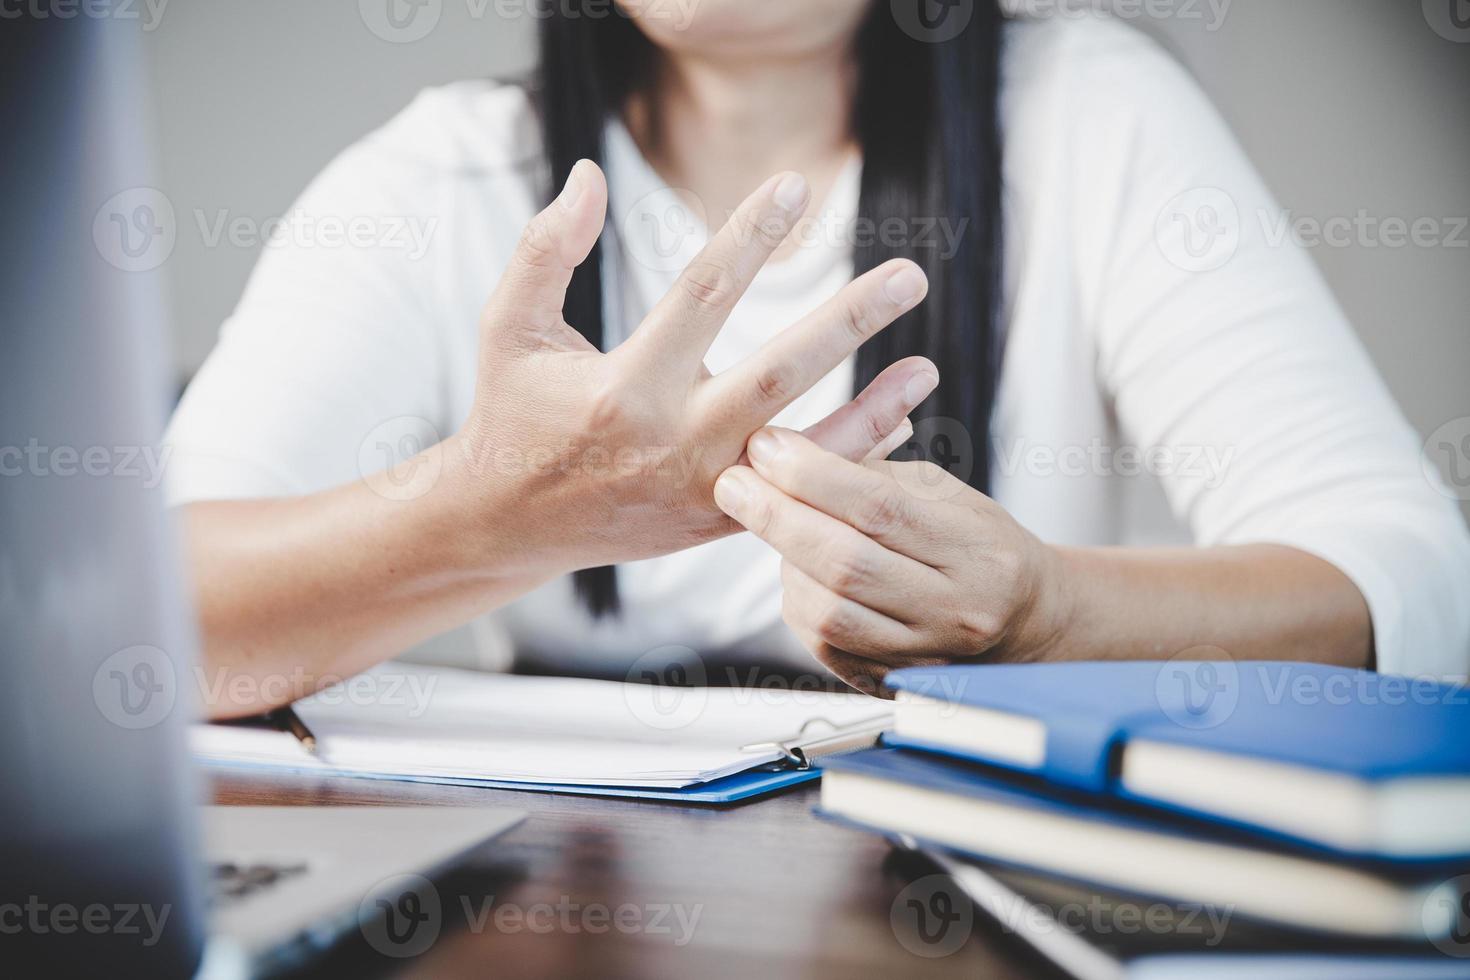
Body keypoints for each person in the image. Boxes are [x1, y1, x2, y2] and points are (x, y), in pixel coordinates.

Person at [164, 1, 1470, 715]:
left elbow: (1415, 595)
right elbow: (136, 624)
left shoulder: (1090, 110)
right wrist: (485, 509)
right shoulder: (441, 176)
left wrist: (1051, 610)